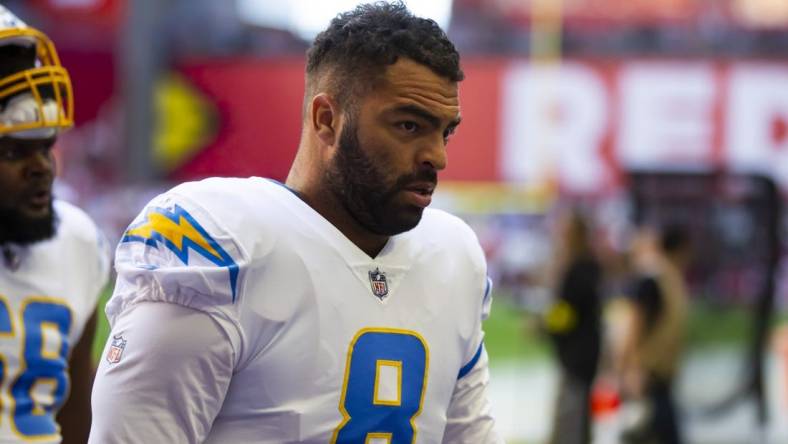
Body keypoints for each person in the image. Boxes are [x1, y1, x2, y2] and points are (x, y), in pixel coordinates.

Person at [89, 2, 502, 443]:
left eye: (445, 132)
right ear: (327, 119)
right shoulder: (223, 242)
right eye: (408, 125)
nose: (436, 156)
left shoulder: (454, 253)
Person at [0, 4, 110, 444]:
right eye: (13, 151)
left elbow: (76, 413)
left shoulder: (77, 240)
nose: (43, 168)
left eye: (46, 146)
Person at [618, 225, 691, 444]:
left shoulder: (669, 278)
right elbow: (634, 326)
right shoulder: (654, 280)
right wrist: (628, 369)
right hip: (647, 374)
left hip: (660, 374)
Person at [542, 208, 602, 444]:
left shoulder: (576, 270)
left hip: (576, 357)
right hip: (588, 352)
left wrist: (541, 325)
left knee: (569, 421)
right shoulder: (591, 266)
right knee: (581, 419)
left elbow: (565, 314)